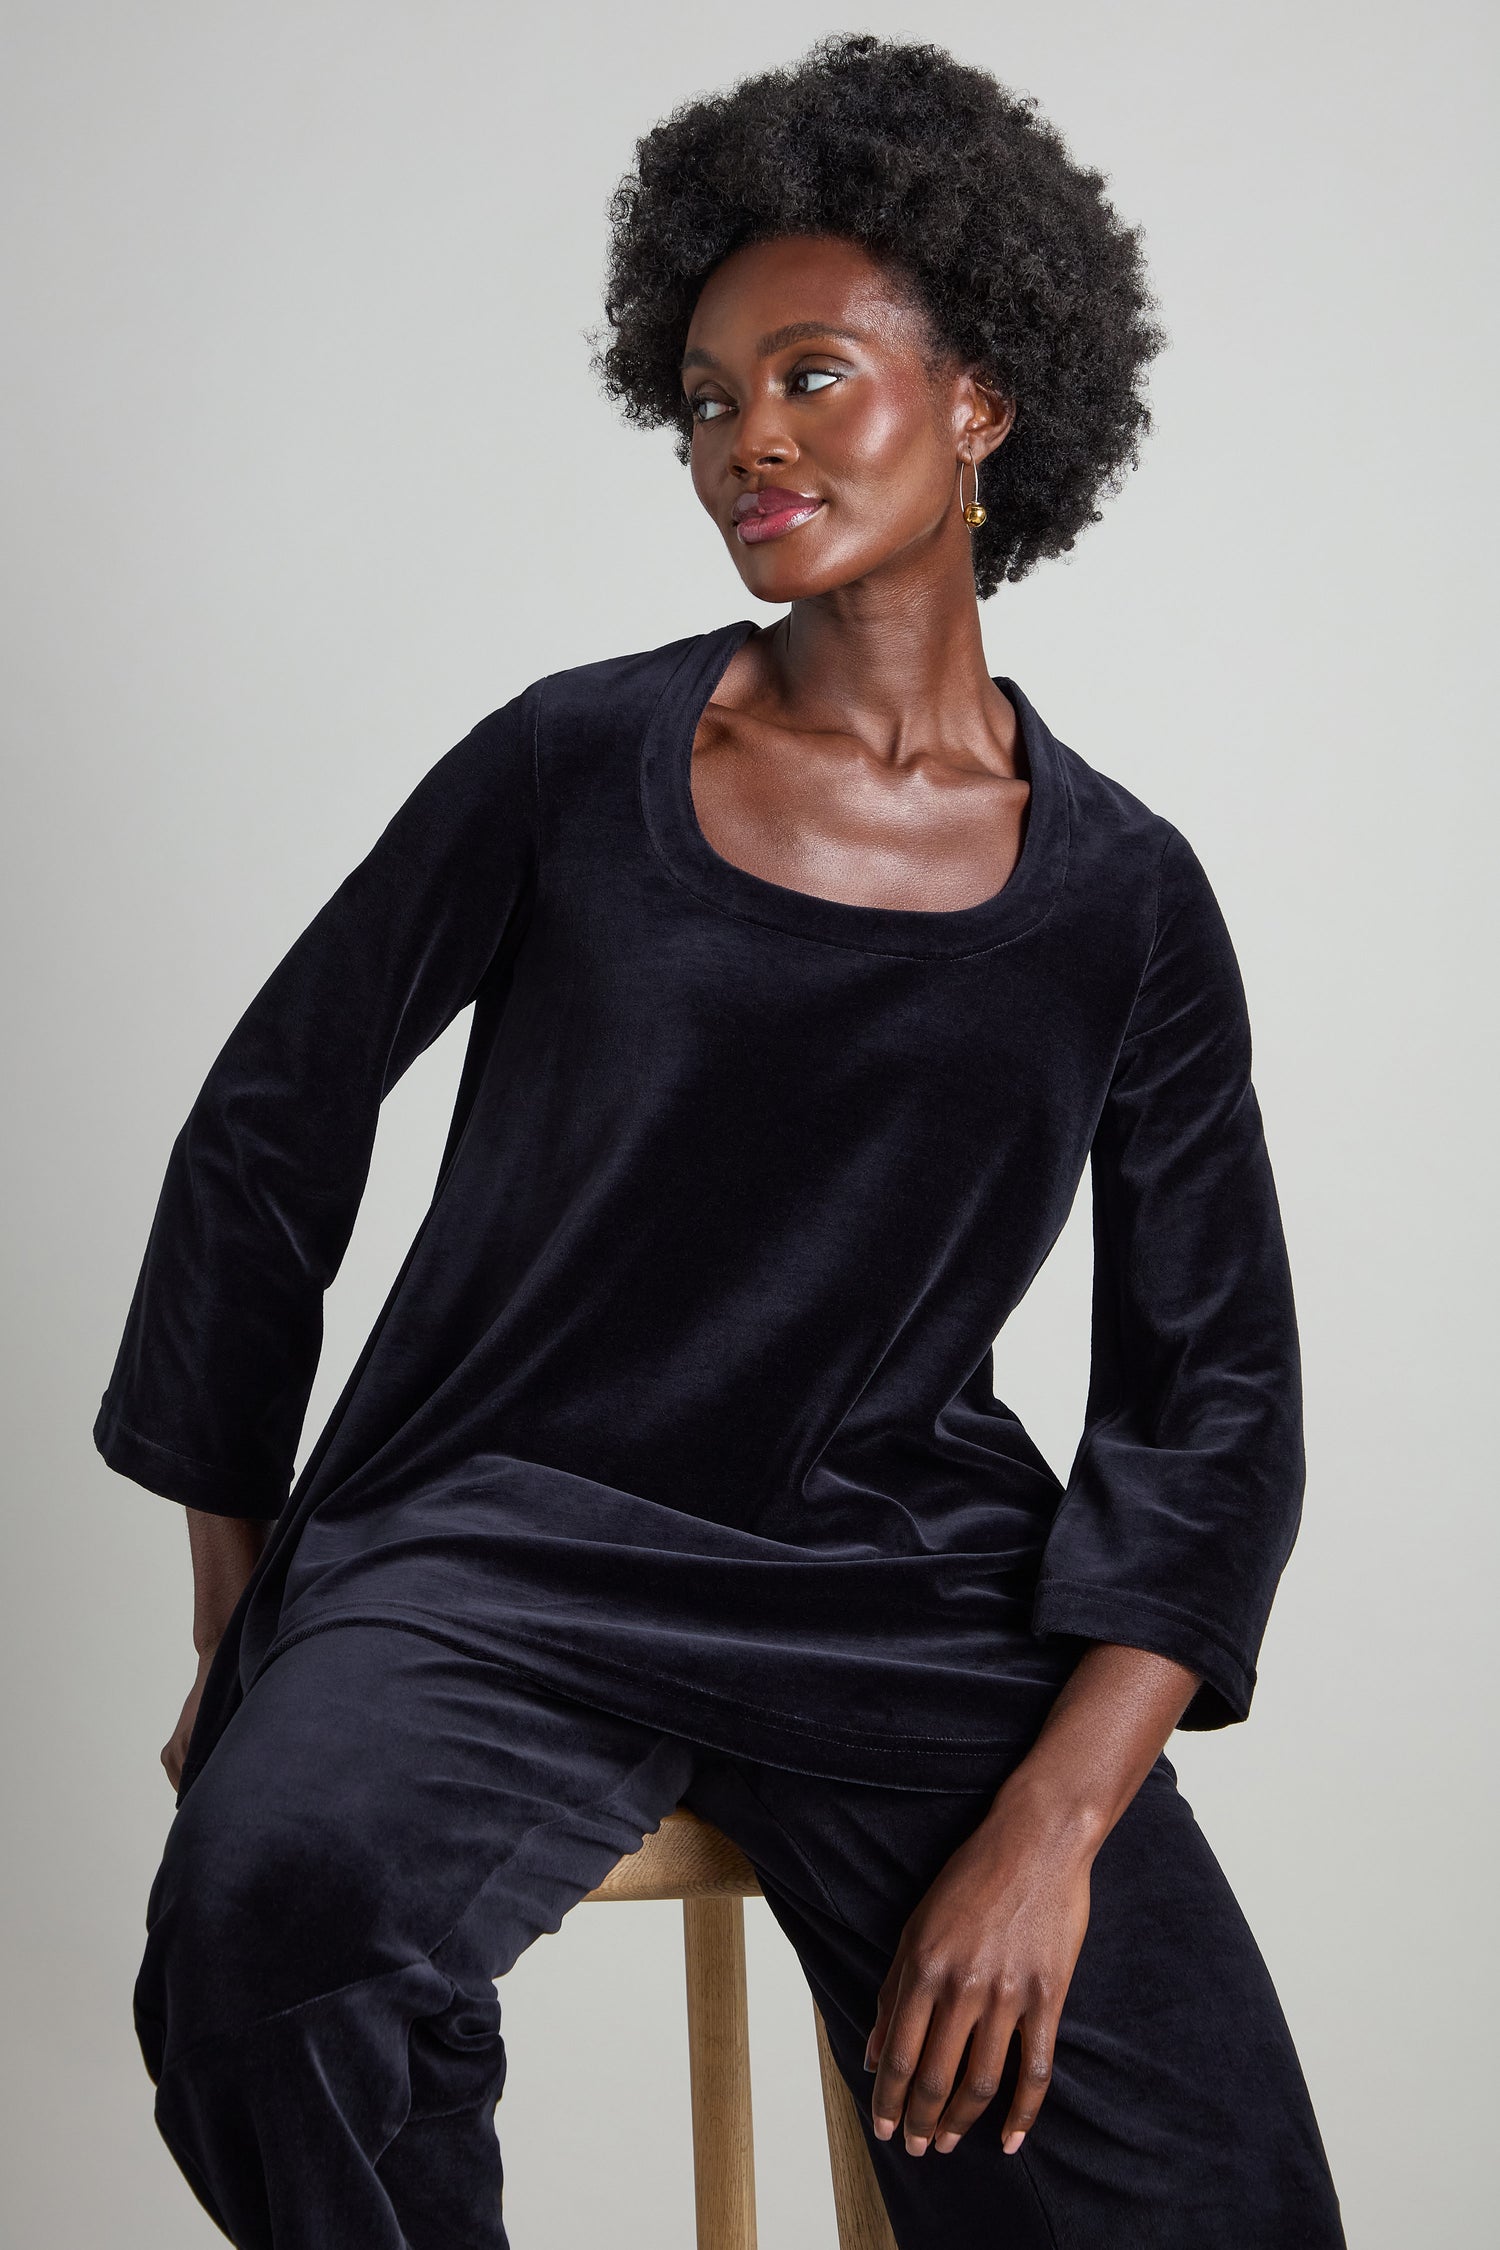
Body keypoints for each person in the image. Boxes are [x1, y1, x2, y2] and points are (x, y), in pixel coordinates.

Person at [95, 33, 1345, 2250]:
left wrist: (1054, 1823)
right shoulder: (568, 765)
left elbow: (1213, 1396)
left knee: (1212, 2199)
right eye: (699, 394)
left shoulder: (1124, 898)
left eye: (808, 376)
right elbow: (266, 1132)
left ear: (983, 402)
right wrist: (243, 1613)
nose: (741, 440)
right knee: (268, 1941)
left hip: (902, 1593)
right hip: (490, 1555)